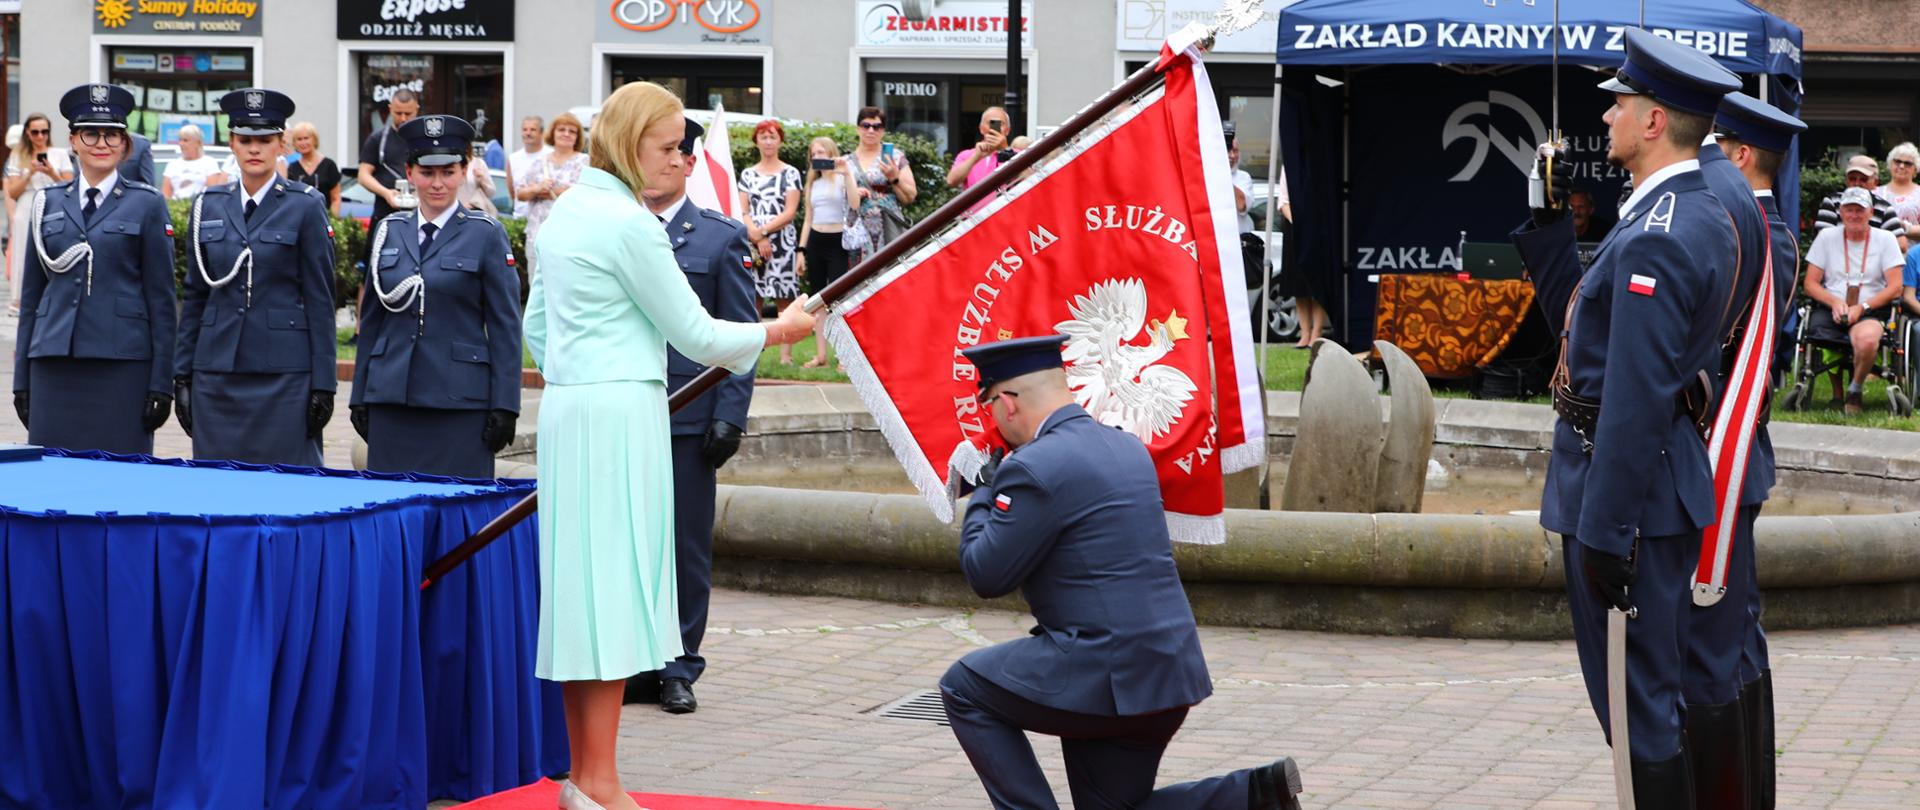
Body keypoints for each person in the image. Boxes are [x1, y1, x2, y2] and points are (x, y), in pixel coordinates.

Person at [520, 80, 817, 810]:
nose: (678, 156)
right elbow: (700, 336)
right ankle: (600, 782)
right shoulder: (627, 224)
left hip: (570, 411)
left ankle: (589, 781)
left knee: (582, 600)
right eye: (665, 146)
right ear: (627, 145)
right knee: (615, 595)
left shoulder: (561, 217)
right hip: (621, 413)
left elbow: (535, 330)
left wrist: (581, 369)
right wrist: (784, 329)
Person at [1508, 29, 1740, 805]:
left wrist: (1606, 533)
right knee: (1649, 704)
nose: (1603, 117)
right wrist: (1548, 225)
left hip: (1628, 508)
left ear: (1652, 122)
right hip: (1650, 495)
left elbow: (1636, 398)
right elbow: (1595, 336)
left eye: (1619, 104)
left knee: (1638, 714)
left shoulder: (1660, 237)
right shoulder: (1685, 212)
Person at [940, 334, 1304, 810]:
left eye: (989, 405)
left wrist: (985, 485)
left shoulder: (1031, 467)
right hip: (1168, 672)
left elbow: (986, 574)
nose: (991, 417)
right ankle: (1251, 797)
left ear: (1007, 403)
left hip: (1104, 673)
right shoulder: (1127, 447)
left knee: (963, 687)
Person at [615, 116, 759, 715]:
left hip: (686, 415)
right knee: (628, 543)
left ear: (691, 164)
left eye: (676, 154)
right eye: (657, 151)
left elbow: (741, 334)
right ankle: (632, 662)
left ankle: (677, 664)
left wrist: (730, 414)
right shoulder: (617, 231)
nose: (665, 164)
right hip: (625, 408)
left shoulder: (718, 239)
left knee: (682, 547)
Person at [1698, 91, 1804, 808]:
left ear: (1738, 156)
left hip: (1726, 459)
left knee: (1726, 643)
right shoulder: (1757, 227)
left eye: (1711, 151)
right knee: (1733, 639)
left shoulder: (1761, 234)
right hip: (1722, 455)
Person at [349, 115, 520, 479]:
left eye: (448, 172)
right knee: (392, 513)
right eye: (427, 173)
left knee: (459, 517)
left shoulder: (486, 234)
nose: (438, 183)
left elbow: (505, 325)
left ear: (464, 172)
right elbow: (373, 321)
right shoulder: (389, 231)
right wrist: (360, 394)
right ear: (410, 173)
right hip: (393, 398)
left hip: (459, 402)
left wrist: (506, 404)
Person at [173, 89, 337, 467]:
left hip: (283, 373)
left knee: (287, 484)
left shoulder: (305, 206)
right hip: (217, 371)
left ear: (282, 144)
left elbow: (320, 300)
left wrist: (324, 383)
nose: (254, 149)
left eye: (264, 140)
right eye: (245, 140)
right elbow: (195, 295)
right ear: (232, 143)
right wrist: (182, 375)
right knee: (218, 484)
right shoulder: (207, 205)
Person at [11, 85, 177, 454]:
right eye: (90, 133)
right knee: (53, 480)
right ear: (73, 141)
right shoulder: (47, 202)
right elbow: (33, 299)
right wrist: (22, 378)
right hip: (54, 363)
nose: (102, 143)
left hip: (122, 366)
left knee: (119, 479)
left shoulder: (147, 204)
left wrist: (161, 382)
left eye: (113, 134)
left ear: (125, 144)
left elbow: (162, 300)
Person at [1804, 186, 1904, 415]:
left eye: (1860, 210)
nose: (1854, 215)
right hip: (1831, 307)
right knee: (1820, 332)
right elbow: (1810, 283)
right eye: (1849, 210)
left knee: (1868, 340)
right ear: (1841, 213)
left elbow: (1896, 286)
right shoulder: (1826, 237)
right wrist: (1833, 301)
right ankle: (1836, 392)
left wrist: (1863, 306)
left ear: (1870, 213)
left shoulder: (1886, 239)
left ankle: (1855, 388)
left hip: (1870, 308)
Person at [736, 119, 801, 355]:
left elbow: (790, 211)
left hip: (782, 242)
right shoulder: (748, 174)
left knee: (784, 297)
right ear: (756, 142)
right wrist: (755, 234)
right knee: (754, 296)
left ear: (780, 141)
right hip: (752, 242)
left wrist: (764, 232)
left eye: (773, 136)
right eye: (763, 137)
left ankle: (786, 356)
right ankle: (754, 351)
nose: (768, 141)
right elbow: (742, 209)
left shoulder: (791, 173)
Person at [796, 136, 860, 369]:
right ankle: (820, 355)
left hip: (838, 241)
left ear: (831, 154)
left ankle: (843, 356)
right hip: (815, 240)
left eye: (822, 152)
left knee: (839, 300)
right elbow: (808, 219)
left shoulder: (841, 178)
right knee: (818, 300)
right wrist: (800, 251)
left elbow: (855, 205)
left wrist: (847, 172)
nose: (817, 157)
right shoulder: (813, 183)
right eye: (814, 154)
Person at [5, 112, 72, 316]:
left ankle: (50, 294)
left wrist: (51, 172)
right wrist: (30, 173)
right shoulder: (18, 156)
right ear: (27, 132)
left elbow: (70, 186)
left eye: (44, 131)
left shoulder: (59, 154)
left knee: (53, 248)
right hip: (27, 206)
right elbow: (12, 192)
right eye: (35, 132)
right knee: (24, 252)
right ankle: (22, 298)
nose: (40, 136)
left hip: (54, 205)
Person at [518, 112, 589, 260]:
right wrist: (536, 189)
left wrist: (544, 192)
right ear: (553, 133)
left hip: (570, 234)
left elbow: (583, 193)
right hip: (537, 232)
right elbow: (520, 193)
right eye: (561, 129)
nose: (566, 134)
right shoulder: (539, 162)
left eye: (572, 131)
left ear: (577, 137)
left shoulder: (584, 162)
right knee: (536, 280)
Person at [848, 106, 917, 254]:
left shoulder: (896, 157)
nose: (871, 131)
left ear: (883, 131)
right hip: (856, 230)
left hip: (888, 228)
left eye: (877, 127)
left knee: (891, 271)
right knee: (858, 275)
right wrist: (852, 193)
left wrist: (894, 178)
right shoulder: (846, 162)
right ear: (858, 129)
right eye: (866, 126)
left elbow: (910, 196)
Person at [358, 89, 420, 245]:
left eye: (408, 113)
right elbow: (363, 175)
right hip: (384, 213)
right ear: (390, 108)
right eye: (398, 113)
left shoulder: (425, 139)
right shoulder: (377, 139)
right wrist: (386, 193)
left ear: (417, 110)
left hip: (421, 214)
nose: (403, 118)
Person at [1815, 155, 1906, 250]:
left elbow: (1901, 245)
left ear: (1875, 182)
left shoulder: (1884, 208)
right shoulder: (1832, 202)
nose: (1857, 183)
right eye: (1852, 178)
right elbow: (1822, 240)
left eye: (1863, 179)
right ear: (1846, 180)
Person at [946, 106, 1010, 212]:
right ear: (981, 128)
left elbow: (1030, 177)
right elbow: (951, 181)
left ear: (1007, 130)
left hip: (1006, 219)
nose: (993, 127)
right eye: (990, 123)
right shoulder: (966, 155)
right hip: (975, 220)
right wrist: (975, 157)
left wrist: (1005, 150)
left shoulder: (1017, 153)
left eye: (1000, 123)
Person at [286, 121, 342, 216]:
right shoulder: (292, 168)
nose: (303, 142)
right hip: (300, 220)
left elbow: (336, 198)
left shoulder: (329, 165)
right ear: (294, 143)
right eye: (299, 139)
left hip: (324, 219)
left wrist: (331, 221)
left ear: (315, 140)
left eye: (306, 138)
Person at [159, 124, 226, 200]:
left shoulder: (209, 163)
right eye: (180, 140)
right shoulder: (172, 164)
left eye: (185, 140)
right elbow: (166, 196)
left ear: (198, 143)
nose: (181, 144)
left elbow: (211, 194)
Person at [506, 114, 548, 219]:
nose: (528, 133)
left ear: (541, 133)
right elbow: (512, 193)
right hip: (520, 219)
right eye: (525, 130)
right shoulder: (513, 159)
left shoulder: (551, 156)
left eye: (533, 130)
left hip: (545, 218)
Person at [1881, 142, 1920, 230]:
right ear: (1890, 164)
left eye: (1908, 163)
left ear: (1915, 170)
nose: (1902, 166)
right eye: (1897, 161)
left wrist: (1905, 229)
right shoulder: (1876, 193)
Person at [459, 151, 499, 217]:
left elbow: (491, 192)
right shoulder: (448, 163)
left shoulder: (478, 163)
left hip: (474, 211)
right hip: (454, 212)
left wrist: (481, 179)